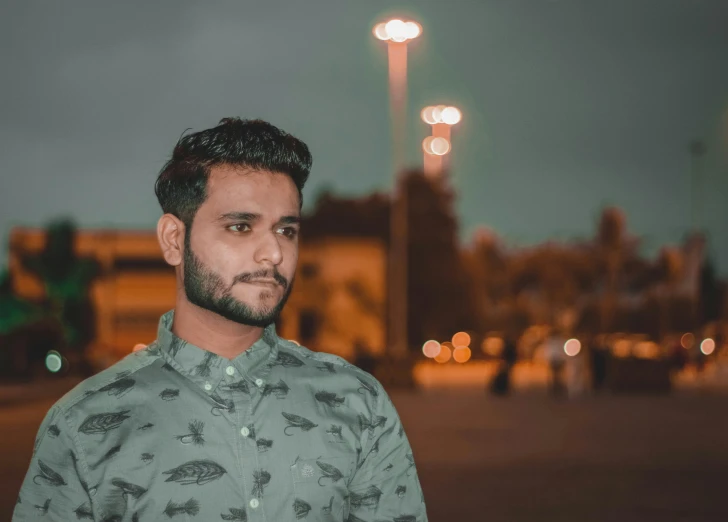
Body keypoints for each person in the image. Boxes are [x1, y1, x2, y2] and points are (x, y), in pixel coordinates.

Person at [14, 118, 428, 522]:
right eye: (241, 226)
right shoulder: (84, 424)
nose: (273, 254)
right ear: (174, 240)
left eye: (286, 231)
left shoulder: (358, 403)